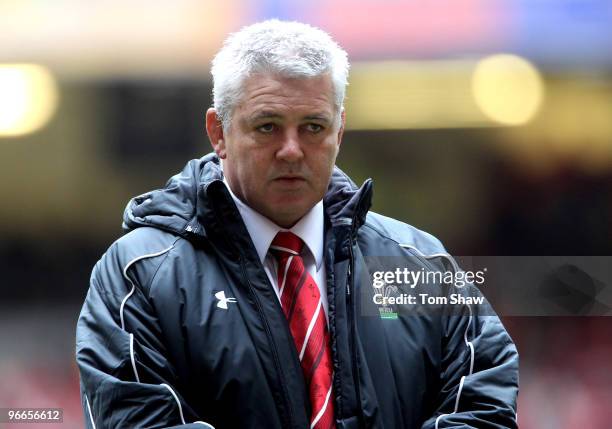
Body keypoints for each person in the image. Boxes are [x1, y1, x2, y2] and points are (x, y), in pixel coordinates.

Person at [76, 20, 518, 429]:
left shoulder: (419, 264)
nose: (292, 150)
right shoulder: (140, 275)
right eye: (267, 127)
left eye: (313, 127)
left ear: (339, 131)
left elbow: (484, 405)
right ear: (219, 132)